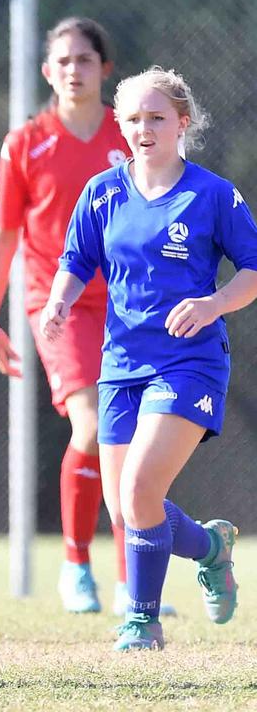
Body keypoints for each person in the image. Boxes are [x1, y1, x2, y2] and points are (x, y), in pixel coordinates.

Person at [43, 66, 252, 651]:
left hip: (189, 363)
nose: (144, 128)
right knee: (128, 505)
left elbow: (253, 272)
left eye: (156, 117)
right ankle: (212, 549)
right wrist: (58, 302)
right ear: (120, 125)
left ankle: (141, 622)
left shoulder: (211, 194)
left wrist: (213, 304)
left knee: (139, 489)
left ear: (182, 123)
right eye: (132, 118)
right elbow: (76, 258)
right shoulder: (104, 191)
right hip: (120, 366)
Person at [0, 17, 135, 614]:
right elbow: (6, 232)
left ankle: (131, 585)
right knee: (93, 427)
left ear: (105, 69)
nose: (74, 69)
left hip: (126, 305)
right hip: (59, 304)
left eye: (85, 59)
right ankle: (76, 567)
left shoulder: (132, 136)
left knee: (133, 436)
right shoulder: (25, 144)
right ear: (48, 72)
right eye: (63, 61)